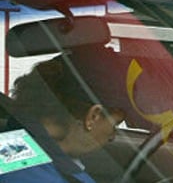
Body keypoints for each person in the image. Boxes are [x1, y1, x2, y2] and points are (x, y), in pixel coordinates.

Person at [1, 54, 126, 183]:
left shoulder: (9, 150)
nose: (112, 137)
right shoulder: (50, 178)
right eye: (114, 125)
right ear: (93, 116)